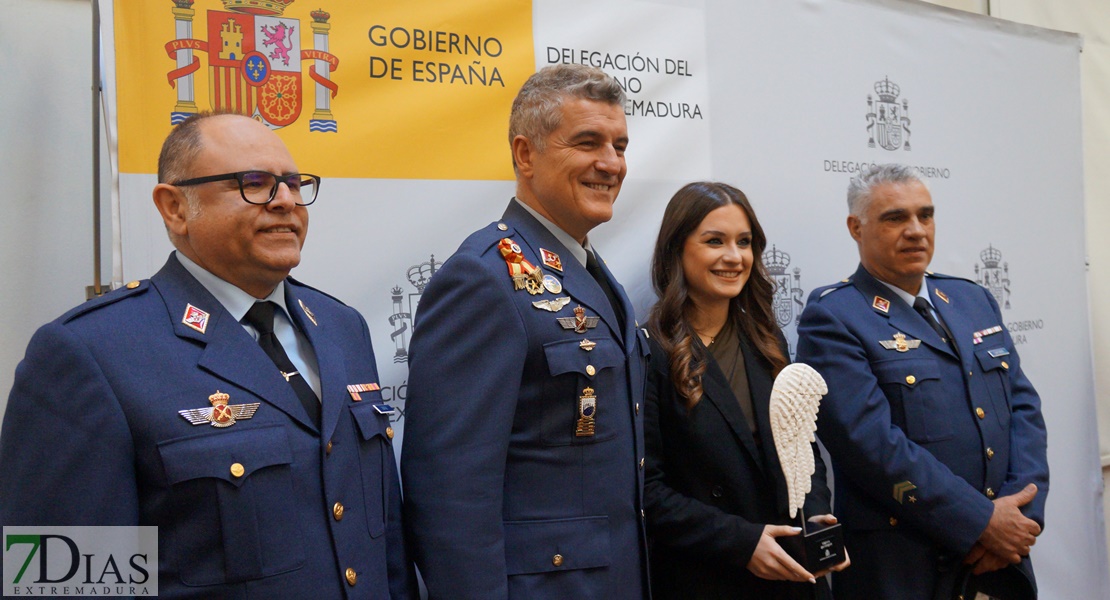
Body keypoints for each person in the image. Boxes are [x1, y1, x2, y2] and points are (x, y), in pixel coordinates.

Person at [0, 112, 416, 598]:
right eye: (254, 184)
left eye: (293, 184)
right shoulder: (94, 353)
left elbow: (383, 545)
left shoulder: (341, 327)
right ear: (175, 207)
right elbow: (61, 582)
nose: (285, 201)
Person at [401, 63, 650, 599]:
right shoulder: (483, 277)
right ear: (525, 154)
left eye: (620, 146)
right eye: (588, 142)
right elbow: (449, 493)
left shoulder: (587, 270)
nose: (611, 164)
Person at [796, 164, 1048, 599]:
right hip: (906, 562)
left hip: (1000, 558)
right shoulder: (834, 316)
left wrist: (1025, 514)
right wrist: (981, 523)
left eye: (925, 215)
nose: (916, 230)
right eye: (895, 218)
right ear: (856, 227)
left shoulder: (972, 298)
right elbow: (869, 446)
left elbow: (1022, 409)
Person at [643, 182, 848, 599]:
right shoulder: (650, 350)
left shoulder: (767, 338)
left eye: (744, 242)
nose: (734, 257)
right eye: (714, 241)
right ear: (676, 250)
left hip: (794, 575)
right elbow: (647, 489)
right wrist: (742, 542)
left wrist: (818, 516)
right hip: (710, 576)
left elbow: (801, 445)